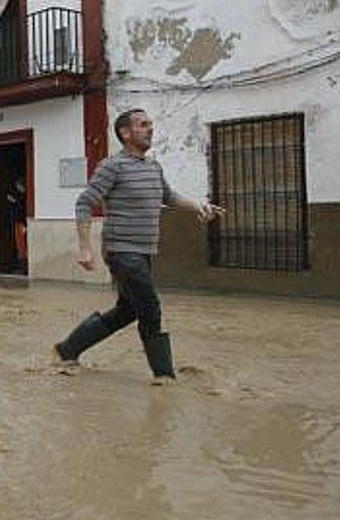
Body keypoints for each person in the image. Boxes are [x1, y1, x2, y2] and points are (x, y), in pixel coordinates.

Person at [52, 109, 224, 383]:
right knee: (150, 305)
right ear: (125, 133)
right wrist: (85, 246)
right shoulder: (113, 166)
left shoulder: (153, 167)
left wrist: (198, 207)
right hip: (121, 250)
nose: (150, 129)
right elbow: (85, 202)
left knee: (128, 310)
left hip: (144, 251)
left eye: (151, 124)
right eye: (143, 125)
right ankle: (164, 376)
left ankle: (68, 349)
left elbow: (168, 196)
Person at [5, 178, 28, 274]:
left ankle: (23, 268)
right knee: (19, 245)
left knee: (22, 245)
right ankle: (21, 266)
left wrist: (13, 200)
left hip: (21, 223)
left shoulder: (25, 197)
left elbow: (22, 209)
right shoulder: (20, 196)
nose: (17, 187)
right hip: (17, 222)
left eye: (18, 185)